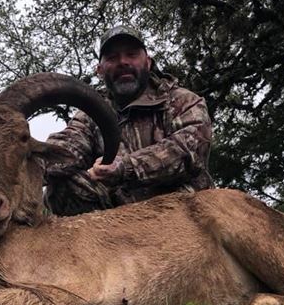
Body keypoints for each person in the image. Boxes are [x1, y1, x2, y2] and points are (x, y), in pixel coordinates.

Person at [44, 25, 213, 216]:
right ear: (99, 70)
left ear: (148, 62)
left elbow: (190, 151)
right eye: (112, 57)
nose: (123, 62)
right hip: (117, 219)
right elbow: (68, 145)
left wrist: (126, 168)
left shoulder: (183, 101)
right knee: (61, 184)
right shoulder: (90, 114)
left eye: (131, 54)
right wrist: (35, 161)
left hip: (180, 213)